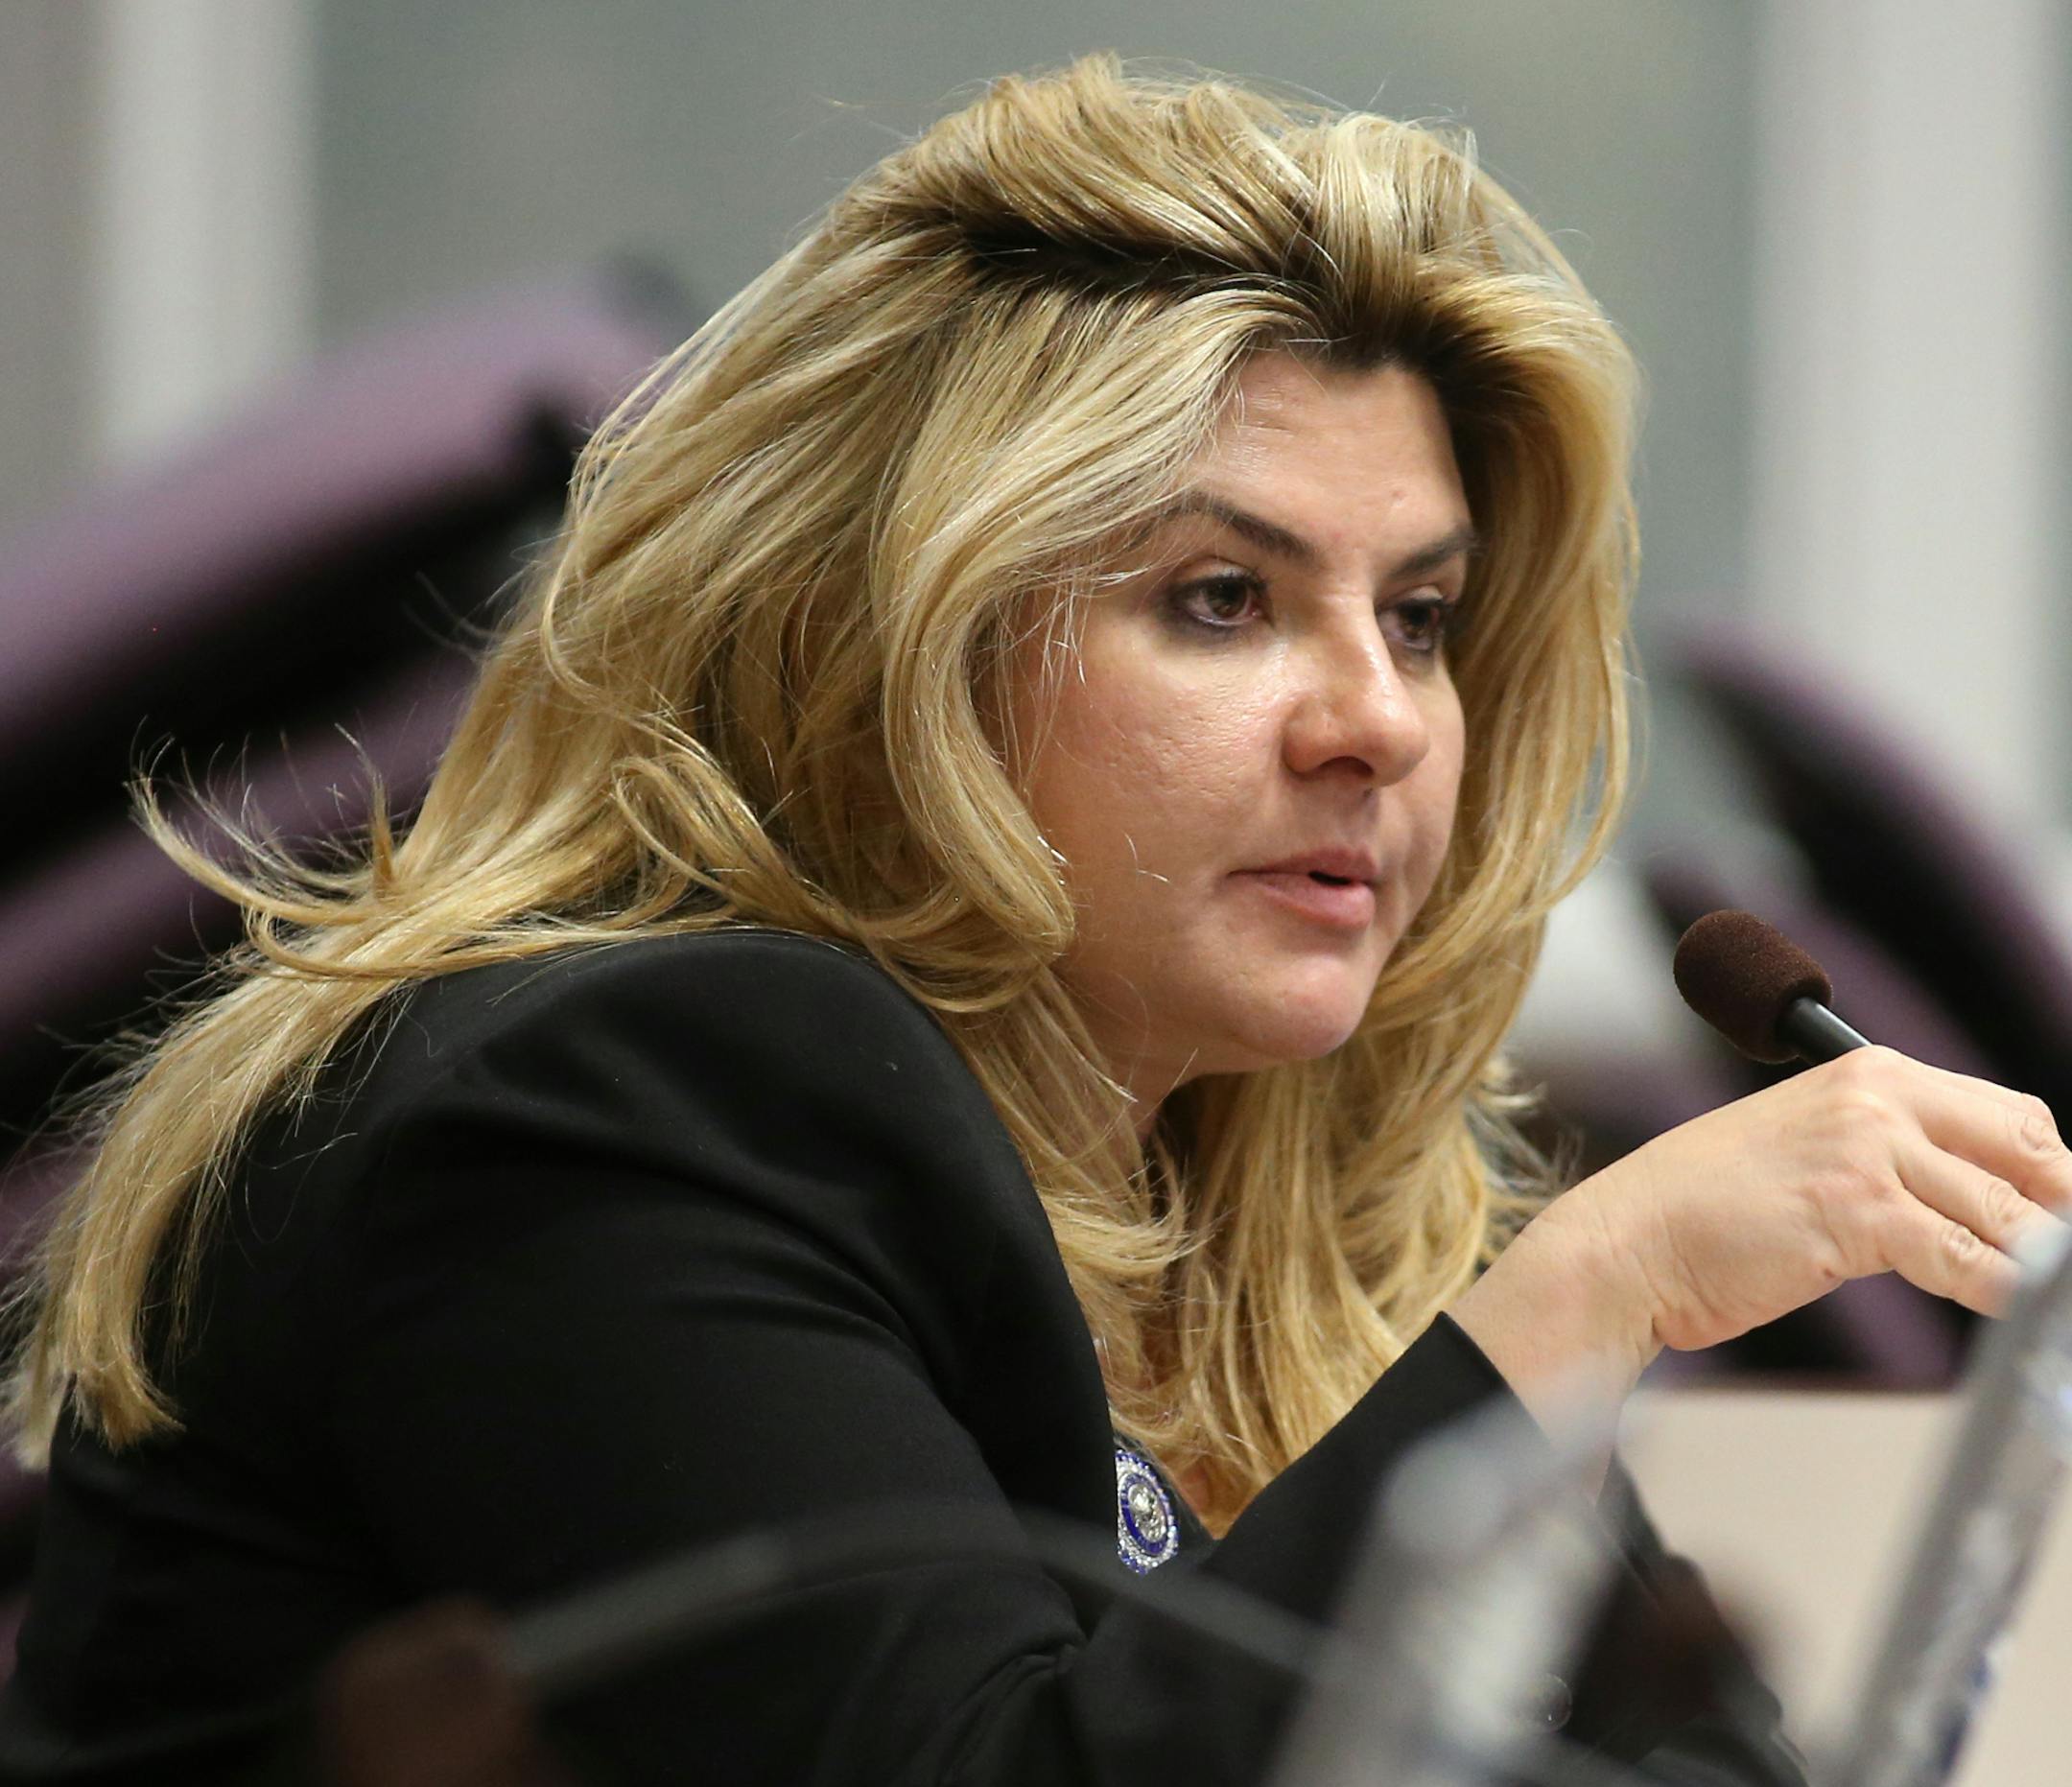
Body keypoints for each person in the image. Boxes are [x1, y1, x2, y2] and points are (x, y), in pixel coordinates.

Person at [3, 53, 2063, 1787]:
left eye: (1419, 617)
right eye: (1220, 599)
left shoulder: (1299, 1236)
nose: (1374, 720)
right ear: (890, 644)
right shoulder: (612, 1103)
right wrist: (1585, 1300)